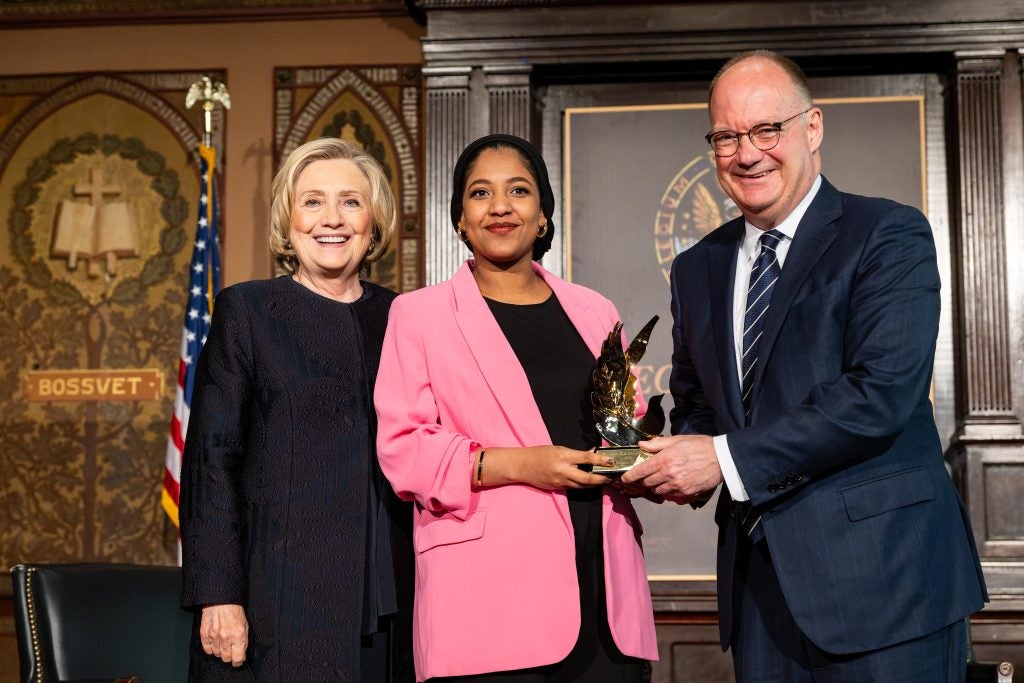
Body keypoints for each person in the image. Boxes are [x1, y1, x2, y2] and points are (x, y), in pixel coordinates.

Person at [622, 51, 987, 681]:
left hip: (888, 589)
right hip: (762, 598)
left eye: (768, 130)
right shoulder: (697, 267)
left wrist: (723, 459)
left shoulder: (887, 234)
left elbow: (879, 397)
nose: (747, 153)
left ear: (812, 128)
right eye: (727, 136)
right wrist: (673, 456)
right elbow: (703, 405)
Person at [374, 134, 658, 682]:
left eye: (519, 191)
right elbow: (403, 450)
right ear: (460, 219)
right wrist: (524, 463)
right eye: (480, 193)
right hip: (486, 609)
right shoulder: (419, 315)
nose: (500, 206)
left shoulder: (596, 310)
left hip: (606, 603)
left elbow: (626, 422)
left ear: (544, 216)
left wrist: (641, 459)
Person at [179, 137, 414, 681]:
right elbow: (211, 463)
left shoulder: (404, 317)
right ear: (287, 222)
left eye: (351, 202)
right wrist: (219, 596)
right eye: (312, 202)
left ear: (374, 222)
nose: (332, 218)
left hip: (393, 601)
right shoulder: (249, 311)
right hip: (276, 608)